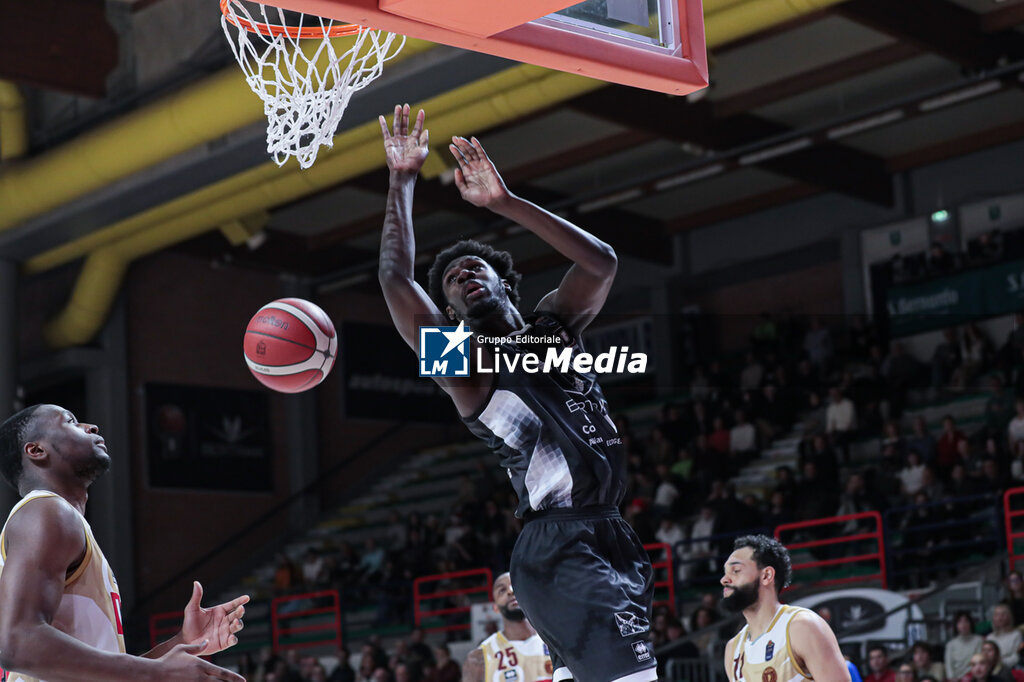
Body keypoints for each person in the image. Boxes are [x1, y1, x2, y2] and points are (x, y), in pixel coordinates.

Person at [378, 104, 653, 682]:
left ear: (506, 280)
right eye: (452, 282)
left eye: (474, 268)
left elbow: (601, 261)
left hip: (610, 532)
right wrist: (402, 180)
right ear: (450, 313)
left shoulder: (555, 327)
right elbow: (395, 281)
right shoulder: (465, 364)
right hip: (557, 541)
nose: (463, 276)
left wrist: (504, 203)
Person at [0, 404, 248, 681]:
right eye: (70, 422)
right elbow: (18, 643)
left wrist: (182, 642)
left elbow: (105, 673)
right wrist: (158, 672)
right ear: (36, 451)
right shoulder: (46, 511)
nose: (91, 427)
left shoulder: (62, 521)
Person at [721, 535, 849, 681]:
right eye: (725, 572)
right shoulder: (733, 650)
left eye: (736, 570)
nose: (724, 579)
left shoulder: (802, 627)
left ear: (766, 576)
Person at [462, 572, 552, 682]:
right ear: (495, 608)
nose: (510, 591)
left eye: (514, 585)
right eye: (502, 590)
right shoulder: (479, 658)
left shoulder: (556, 640)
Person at [986, 604, 1022, 669]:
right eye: (997, 615)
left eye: (1003, 615)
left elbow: (1016, 657)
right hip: (991, 668)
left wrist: (1000, 663)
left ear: (1009, 617)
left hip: (1009, 668)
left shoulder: (1016, 635)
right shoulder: (990, 637)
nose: (1000, 618)